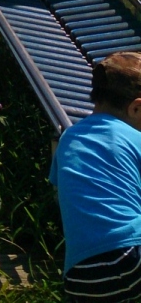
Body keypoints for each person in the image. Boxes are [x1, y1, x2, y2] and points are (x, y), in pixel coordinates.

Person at [50, 52, 141, 301]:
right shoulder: (136, 139)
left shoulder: (68, 138)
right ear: (136, 107)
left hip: (81, 276)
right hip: (132, 251)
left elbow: (60, 193)